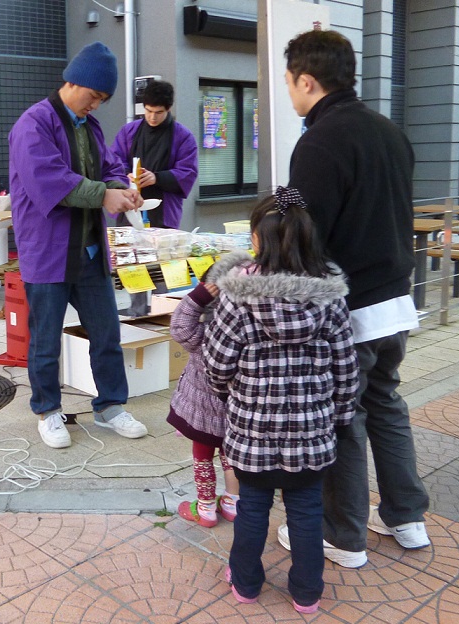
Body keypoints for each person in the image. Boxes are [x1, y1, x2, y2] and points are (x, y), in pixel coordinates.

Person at [279, 29, 431, 568]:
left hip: (350, 309)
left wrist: (276, 212)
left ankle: (342, 536)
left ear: (307, 80)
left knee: (344, 418)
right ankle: (407, 516)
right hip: (396, 298)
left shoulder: (319, 141)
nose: (290, 95)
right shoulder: (390, 132)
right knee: (385, 403)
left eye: (290, 84)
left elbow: (298, 227)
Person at [202, 187, 359, 614]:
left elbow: (216, 364)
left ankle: (247, 583)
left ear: (258, 240)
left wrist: (229, 396)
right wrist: (340, 417)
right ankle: (307, 592)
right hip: (311, 434)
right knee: (306, 511)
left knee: (252, 508)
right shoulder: (330, 299)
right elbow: (347, 369)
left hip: (252, 432)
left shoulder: (237, 298)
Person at [8, 41, 149, 449]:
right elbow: (47, 180)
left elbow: (108, 167)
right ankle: (48, 411)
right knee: (46, 339)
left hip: (88, 250)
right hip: (48, 251)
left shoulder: (90, 126)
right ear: (74, 81)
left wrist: (123, 187)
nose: (97, 105)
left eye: (103, 99)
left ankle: (110, 408)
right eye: (95, 96)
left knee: (107, 332)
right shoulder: (33, 124)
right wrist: (104, 195)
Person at [167, 265, 240, 528]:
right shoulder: (245, 330)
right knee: (231, 457)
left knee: (202, 456)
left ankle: (206, 508)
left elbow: (180, 327)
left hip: (203, 414)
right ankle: (233, 504)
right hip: (237, 414)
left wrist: (197, 297)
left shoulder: (204, 334)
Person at [111, 80, 198, 229]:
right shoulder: (128, 131)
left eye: (158, 112)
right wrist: (127, 174)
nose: (152, 117)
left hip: (164, 211)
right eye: (148, 111)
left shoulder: (183, 136)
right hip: (129, 205)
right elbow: (114, 161)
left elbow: (188, 172)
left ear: (168, 109)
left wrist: (156, 178)